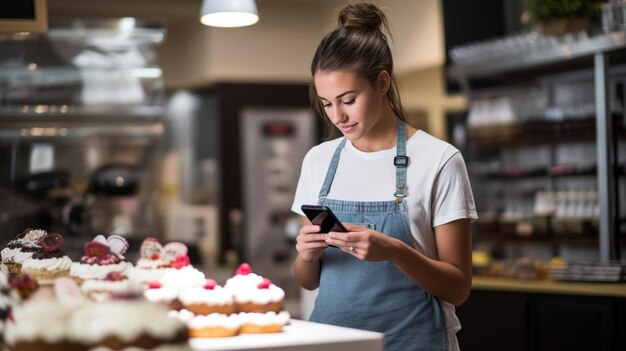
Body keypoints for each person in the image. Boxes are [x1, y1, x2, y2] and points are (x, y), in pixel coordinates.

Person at [290, 2, 477, 351]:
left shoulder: (440, 160)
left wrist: (395, 251)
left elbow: (458, 288)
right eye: (327, 103)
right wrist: (306, 255)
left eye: (348, 99)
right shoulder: (318, 160)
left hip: (415, 342)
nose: (338, 116)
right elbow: (308, 282)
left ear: (382, 82)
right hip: (333, 342)